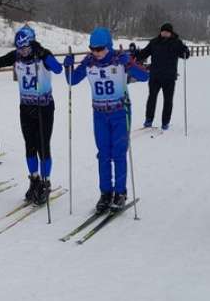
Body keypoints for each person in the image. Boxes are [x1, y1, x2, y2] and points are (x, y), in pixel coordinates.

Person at [64, 26, 149, 213]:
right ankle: (105, 193)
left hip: (120, 111)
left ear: (109, 46)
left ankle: (120, 192)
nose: (97, 53)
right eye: (93, 49)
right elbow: (72, 80)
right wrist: (67, 66)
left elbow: (144, 77)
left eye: (100, 49)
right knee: (103, 154)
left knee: (118, 153)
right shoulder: (89, 62)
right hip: (99, 114)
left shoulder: (119, 59)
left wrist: (130, 64)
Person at [0, 25, 61, 206]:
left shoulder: (42, 53)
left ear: (33, 43)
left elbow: (58, 69)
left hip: (44, 107)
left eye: (26, 48)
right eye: (20, 48)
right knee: (29, 146)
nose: (23, 52)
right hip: (25, 107)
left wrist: (44, 55)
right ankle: (34, 180)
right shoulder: (16, 55)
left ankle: (45, 182)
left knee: (43, 146)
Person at [137, 23, 190, 130]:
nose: (165, 33)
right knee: (151, 98)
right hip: (155, 76)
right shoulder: (154, 42)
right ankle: (148, 120)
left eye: (167, 32)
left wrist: (185, 51)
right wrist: (135, 54)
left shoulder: (176, 43)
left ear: (170, 33)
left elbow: (185, 55)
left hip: (169, 77)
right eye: (163, 31)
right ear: (160, 31)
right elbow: (144, 54)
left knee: (168, 100)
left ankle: (165, 122)